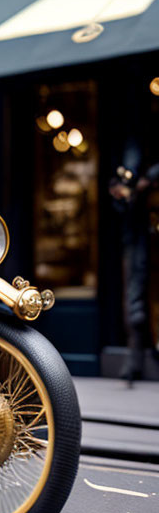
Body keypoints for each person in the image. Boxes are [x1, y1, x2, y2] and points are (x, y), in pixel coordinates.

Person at [109, 141, 159, 385]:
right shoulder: (128, 161)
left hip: (145, 237)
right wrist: (124, 193)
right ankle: (135, 358)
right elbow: (119, 198)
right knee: (134, 299)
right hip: (137, 238)